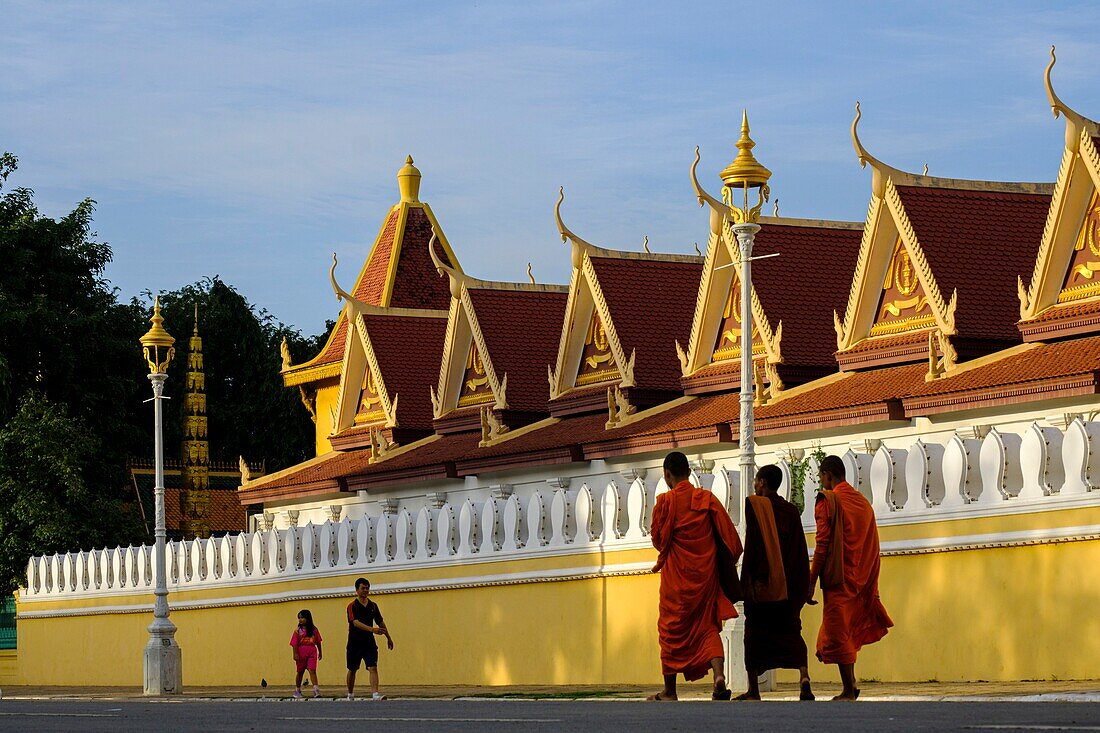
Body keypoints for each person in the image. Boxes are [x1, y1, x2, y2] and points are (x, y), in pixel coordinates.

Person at [649, 451, 743, 701]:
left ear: (667, 475)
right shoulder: (707, 499)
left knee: (670, 631)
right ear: (689, 473)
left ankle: (670, 690)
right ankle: (719, 676)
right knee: (708, 628)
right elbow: (732, 540)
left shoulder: (665, 503)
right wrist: (721, 565)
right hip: (704, 579)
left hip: (675, 582)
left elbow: (659, 541)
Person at [808, 455, 893, 701]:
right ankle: (851, 683)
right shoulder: (862, 502)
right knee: (843, 631)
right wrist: (870, 578)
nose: (822, 482)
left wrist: (812, 581)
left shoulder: (829, 501)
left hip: (839, 578)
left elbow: (822, 545)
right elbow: (873, 543)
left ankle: (848, 688)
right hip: (861, 575)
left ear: (828, 476)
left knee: (837, 632)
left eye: (822, 477)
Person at [736, 465, 813, 701]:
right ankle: (804, 676)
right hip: (788, 587)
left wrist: (746, 583)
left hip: (763, 586)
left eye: (756, 481)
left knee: (753, 636)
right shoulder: (790, 510)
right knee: (791, 633)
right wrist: (803, 585)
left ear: (761, 482)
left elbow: (754, 547)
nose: (754, 486)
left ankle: (753, 690)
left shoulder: (756, 506)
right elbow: (800, 549)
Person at [345, 577, 394, 701]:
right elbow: (355, 622)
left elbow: (380, 622)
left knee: (373, 667)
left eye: (367, 588)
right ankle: (350, 693)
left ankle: (375, 693)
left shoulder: (373, 606)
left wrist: (388, 637)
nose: (365, 590)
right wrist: (373, 629)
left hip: (369, 642)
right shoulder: (352, 606)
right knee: (352, 669)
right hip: (354, 642)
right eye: (363, 588)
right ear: (357, 590)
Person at [290, 608, 323, 699]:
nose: (300, 620)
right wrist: (295, 654)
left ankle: (316, 690)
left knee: (312, 670)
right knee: (300, 672)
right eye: (299, 618)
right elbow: (294, 643)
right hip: (301, 652)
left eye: (302, 618)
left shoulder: (314, 630)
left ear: (307, 618)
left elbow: (318, 641)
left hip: (312, 651)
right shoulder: (297, 630)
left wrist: (320, 652)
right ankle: (298, 690)